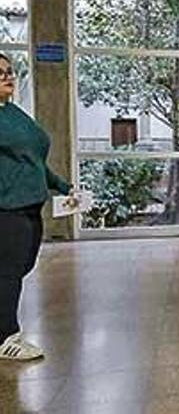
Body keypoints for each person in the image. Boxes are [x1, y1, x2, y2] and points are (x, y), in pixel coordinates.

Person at [0, 53, 71, 360]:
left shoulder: (13, 112)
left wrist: (64, 186)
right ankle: (6, 337)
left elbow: (35, 161)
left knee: (22, 266)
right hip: (7, 207)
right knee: (9, 271)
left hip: (31, 205)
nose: (8, 77)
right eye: (0, 73)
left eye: (9, 71)